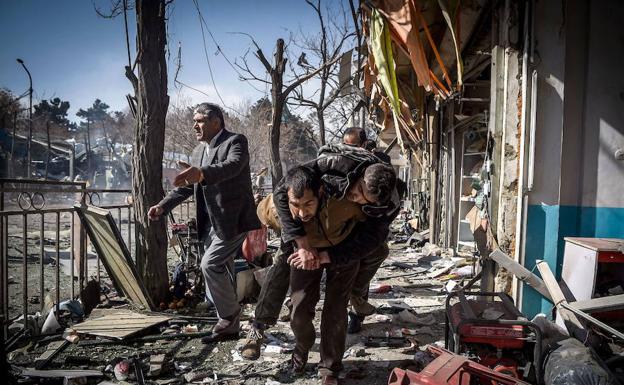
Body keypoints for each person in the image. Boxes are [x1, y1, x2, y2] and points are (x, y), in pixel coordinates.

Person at [274, 146, 399, 385]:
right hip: (307, 244)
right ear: (360, 176)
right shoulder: (335, 164)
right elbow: (283, 190)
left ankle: (330, 369)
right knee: (299, 308)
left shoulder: (387, 206)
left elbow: (371, 241)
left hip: (345, 249)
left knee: (336, 310)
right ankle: (301, 346)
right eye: (359, 191)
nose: (357, 199)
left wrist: (330, 256)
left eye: (366, 201)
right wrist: (300, 242)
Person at [148, 102, 260, 343]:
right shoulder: (199, 152)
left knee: (210, 265)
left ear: (216, 122)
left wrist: (202, 173)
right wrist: (162, 206)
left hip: (233, 220)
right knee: (223, 269)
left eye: (199, 120)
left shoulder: (235, 141)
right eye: (194, 120)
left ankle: (229, 316)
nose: (194, 125)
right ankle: (231, 329)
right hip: (208, 223)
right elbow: (187, 187)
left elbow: (232, 167)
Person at [241, 166, 365, 360]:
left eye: (308, 204)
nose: (301, 212)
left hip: (339, 244)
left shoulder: (344, 203)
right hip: (298, 242)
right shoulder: (276, 210)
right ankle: (258, 327)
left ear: (320, 194)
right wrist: (299, 242)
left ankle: (357, 302)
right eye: (295, 205)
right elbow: (274, 212)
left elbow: (371, 233)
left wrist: (337, 254)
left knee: (338, 300)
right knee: (282, 268)